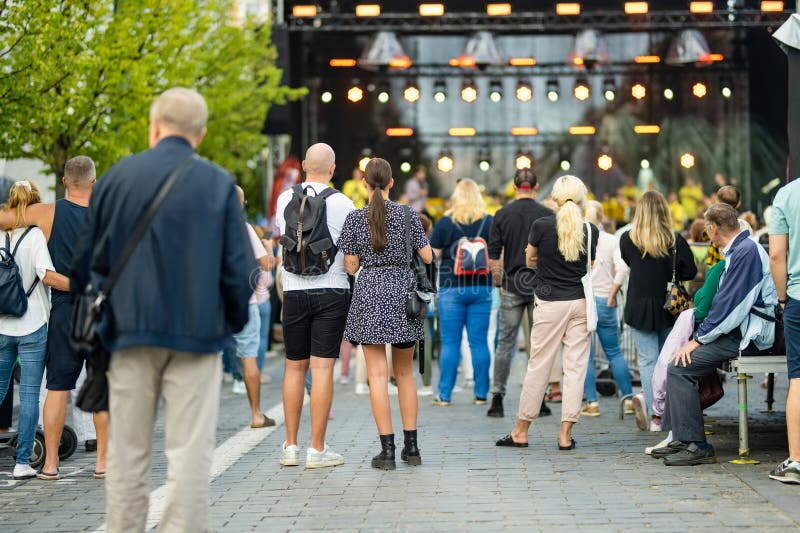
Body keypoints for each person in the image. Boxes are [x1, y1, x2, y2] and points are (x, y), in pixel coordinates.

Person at [70, 88, 256, 532]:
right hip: (197, 336)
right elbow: (240, 272)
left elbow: (82, 266)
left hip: (128, 335)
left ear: (154, 127)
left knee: (128, 455)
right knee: (190, 457)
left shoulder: (116, 179)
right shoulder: (217, 183)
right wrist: (228, 324)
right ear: (202, 133)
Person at [0, 156, 109, 480]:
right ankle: (102, 462)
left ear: (64, 182)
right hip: (101, 308)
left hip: (64, 309)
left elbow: (5, 218)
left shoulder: (48, 213)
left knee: (58, 387)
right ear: (93, 182)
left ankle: (49, 464)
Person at [654, 204, 777, 466]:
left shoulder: (745, 252)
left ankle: (695, 444)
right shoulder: (743, 248)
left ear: (712, 229)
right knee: (679, 362)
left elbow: (733, 306)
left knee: (678, 366)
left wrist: (698, 340)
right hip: (739, 329)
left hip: (746, 334)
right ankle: (682, 438)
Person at [338, 158, 433, 470]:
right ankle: (413, 447)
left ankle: (387, 451)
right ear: (392, 183)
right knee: (404, 374)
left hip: (369, 295)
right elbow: (427, 256)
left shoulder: (355, 219)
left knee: (377, 376)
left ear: (364, 184)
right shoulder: (409, 215)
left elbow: (351, 266)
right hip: (404, 295)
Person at [495, 175, 598, 450]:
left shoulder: (541, 226)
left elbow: (529, 260)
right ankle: (565, 435)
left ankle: (521, 430)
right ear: (581, 199)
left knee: (539, 364)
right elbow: (590, 265)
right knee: (575, 369)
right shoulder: (590, 230)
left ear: (553, 198)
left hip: (550, 301)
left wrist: (546, 262)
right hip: (579, 303)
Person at [276, 143, 354, 469]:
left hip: (293, 289)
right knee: (322, 368)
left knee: (295, 366)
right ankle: (316, 449)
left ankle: (290, 447)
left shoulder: (284, 199)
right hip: (331, 290)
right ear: (333, 169)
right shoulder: (344, 203)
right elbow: (351, 258)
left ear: (305, 164)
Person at [0, 181, 70, 480]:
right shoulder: (36, 236)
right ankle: (21, 463)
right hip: (33, 325)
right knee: (28, 395)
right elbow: (47, 276)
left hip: (2, 326)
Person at [620, 191, 697, 432]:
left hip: (638, 305)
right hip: (669, 307)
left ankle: (654, 413)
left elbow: (628, 262)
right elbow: (690, 271)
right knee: (669, 360)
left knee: (647, 361)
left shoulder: (627, 239)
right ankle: (664, 414)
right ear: (664, 210)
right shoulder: (674, 240)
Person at [486, 169, 552, 418]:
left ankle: (497, 399)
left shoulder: (502, 214)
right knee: (540, 345)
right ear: (535, 187)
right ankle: (540, 399)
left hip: (512, 284)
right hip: (541, 287)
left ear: (514, 187)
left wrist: (500, 282)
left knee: (505, 343)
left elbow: (494, 255)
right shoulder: (547, 214)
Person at [429, 179, 493, 406]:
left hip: (451, 287)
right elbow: (495, 255)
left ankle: (445, 395)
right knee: (478, 342)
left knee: (450, 343)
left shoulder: (445, 223)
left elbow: (433, 255)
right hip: (482, 287)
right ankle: (481, 394)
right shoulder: (489, 222)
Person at [581, 201, 633, 417]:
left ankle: (592, 403)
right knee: (614, 352)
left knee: (584, 355)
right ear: (602, 218)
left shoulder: (578, 240)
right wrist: (612, 294)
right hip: (606, 302)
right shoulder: (613, 240)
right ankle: (629, 400)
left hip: (583, 301)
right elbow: (622, 269)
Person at [234, 186, 277, 429]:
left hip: (212, 304)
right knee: (249, 356)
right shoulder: (244, 228)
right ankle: (256, 415)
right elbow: (266, 264)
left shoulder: (204, 227)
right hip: (244, 301)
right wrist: (268, 248)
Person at [768, 179, 800, 484]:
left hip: (798, 299)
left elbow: (777, 255)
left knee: (798, 379)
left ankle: (796, 463)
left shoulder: (787, 194)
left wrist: (782, 297)